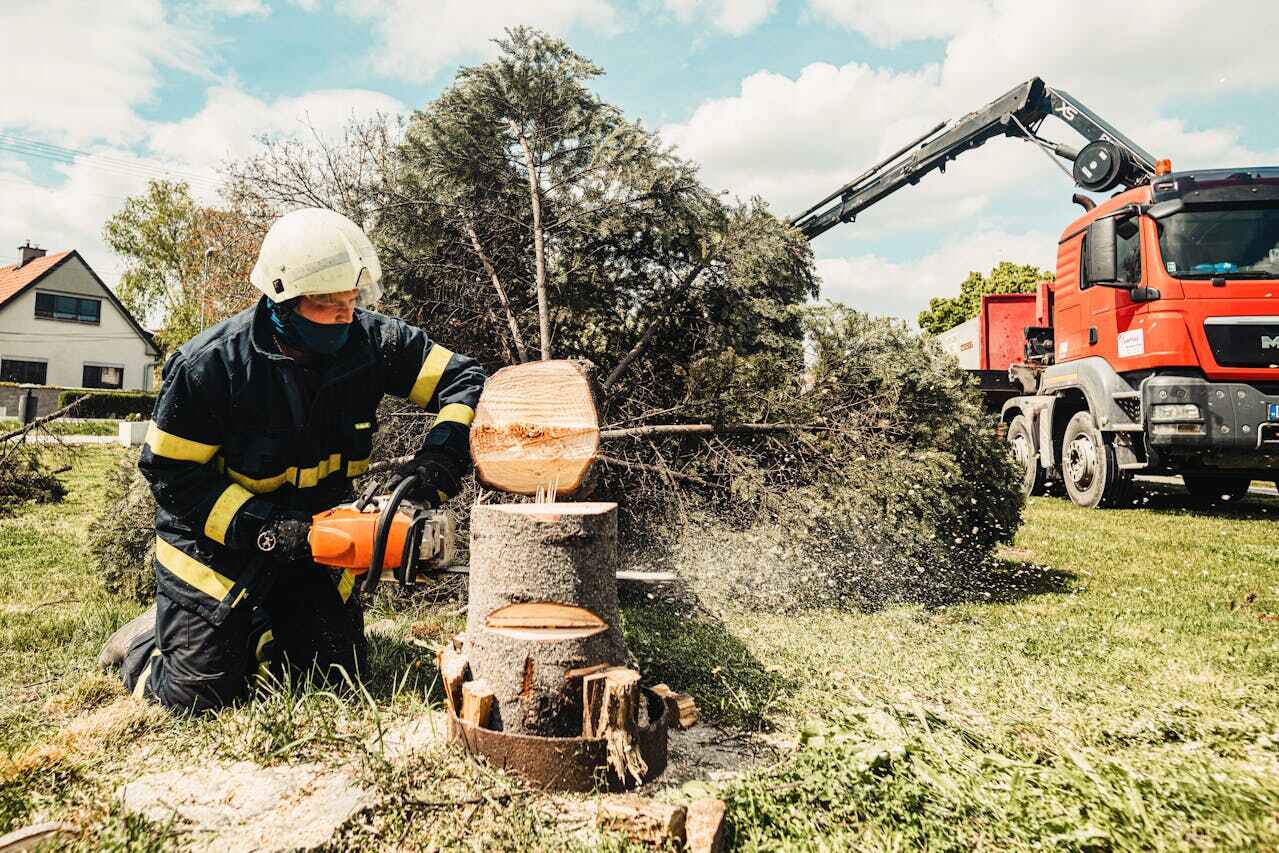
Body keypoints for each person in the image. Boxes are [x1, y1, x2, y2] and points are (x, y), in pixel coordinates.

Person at [99, 208, 486, 713]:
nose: (346, 316)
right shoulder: (210, 367)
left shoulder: (373, 343)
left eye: (352, 300)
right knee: (195, 697)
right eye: (328, 306)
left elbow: (464, 379)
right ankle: (146, 643)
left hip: (317, 532)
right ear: (282, 300)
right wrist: (268, 529)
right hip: (212, 542)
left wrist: (439, 459)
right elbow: (172, 476)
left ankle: (258, 628)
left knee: (335, 678)